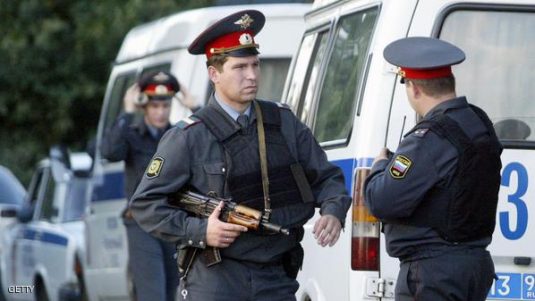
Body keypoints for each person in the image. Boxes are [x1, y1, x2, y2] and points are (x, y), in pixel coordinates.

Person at [129, 10, 351, 301]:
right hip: (216, 278)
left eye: (255, 65)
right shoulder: (189, 136)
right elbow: (145, 204)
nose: (251, 75)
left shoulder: (283, 122)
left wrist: (334, 210)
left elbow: (326, 176)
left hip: (276, 276)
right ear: (214, 73)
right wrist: (200, 230)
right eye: (240, 67)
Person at [364, 37, 502, 301]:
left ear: (414, 88)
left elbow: (381, 201)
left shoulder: (428, 139)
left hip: (433, 274)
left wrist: (381, 165)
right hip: (473, 266)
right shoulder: (478, 123)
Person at [100, 70, 198, 301]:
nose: (161, 112)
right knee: (152, 292)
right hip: (141, 222)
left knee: (174, 290)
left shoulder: (177, 135)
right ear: (144, 105)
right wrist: (126, 111)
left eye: (165, 106)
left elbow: (209, 141)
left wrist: (196, 107)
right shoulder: (131, 134)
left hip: (172, 220)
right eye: (155, 106)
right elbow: (110, 152)